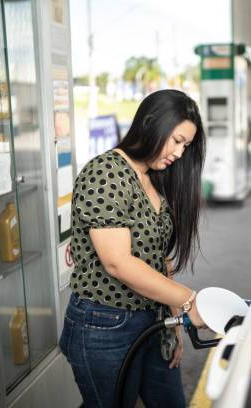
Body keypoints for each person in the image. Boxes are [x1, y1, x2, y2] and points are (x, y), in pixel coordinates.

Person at [59, 89, 207, 408]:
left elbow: (158, 257)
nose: (180, 153)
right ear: (151, 123)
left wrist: (173, 323)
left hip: (154, 319)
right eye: (177, 140)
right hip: (104, 325)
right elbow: (118, 263)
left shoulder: (153, 178)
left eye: (186, 145)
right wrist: (187, 301)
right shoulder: (106, 172)